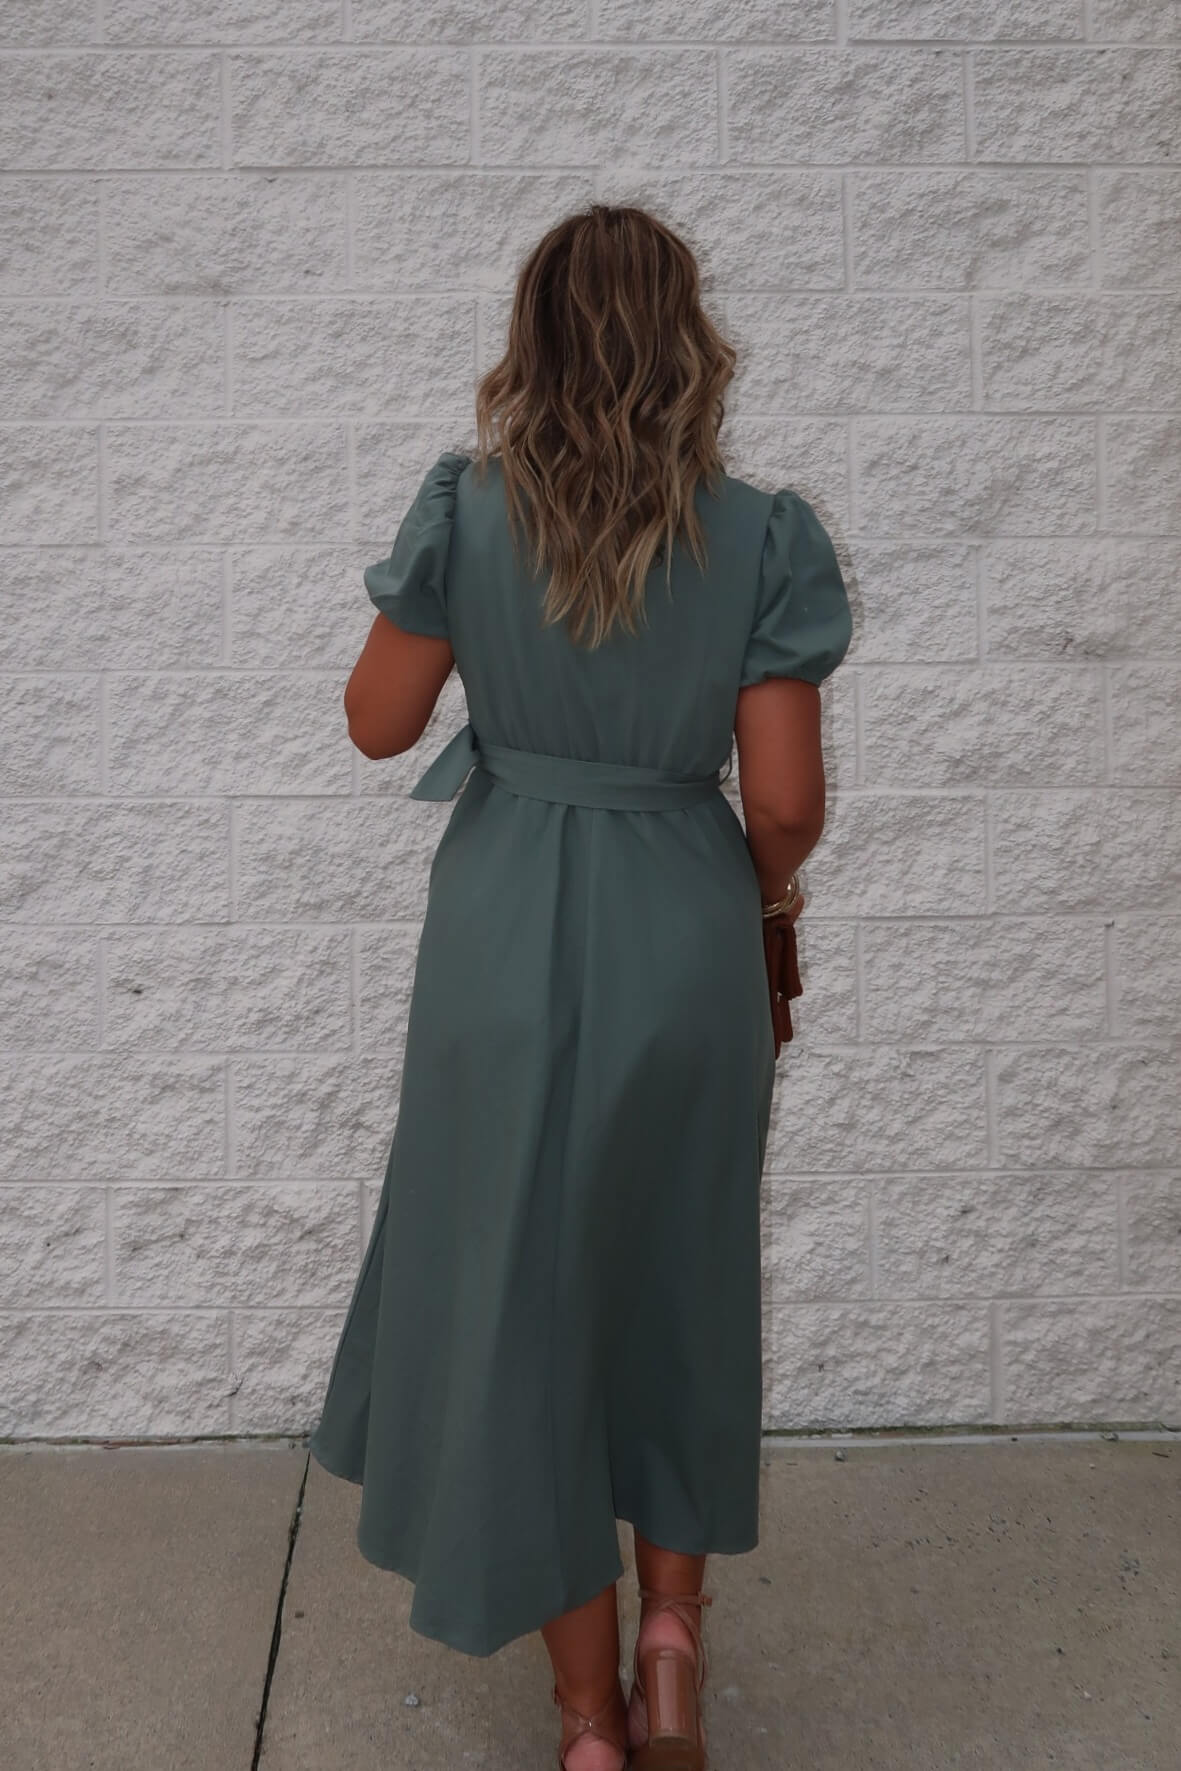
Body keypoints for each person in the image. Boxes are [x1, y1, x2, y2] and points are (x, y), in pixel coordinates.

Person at [307, 201, 853, 1771]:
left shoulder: (466, 512)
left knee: (518, 1303)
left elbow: (374, 723)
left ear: (530, 338)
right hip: (682, 924)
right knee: (677, 1271)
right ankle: (675, 1634)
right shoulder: (762, 536)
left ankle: (586, 1715)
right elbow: (788, 799)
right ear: (690, 344)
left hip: (498, 939)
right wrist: (761, 897)